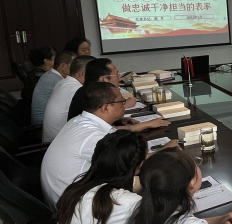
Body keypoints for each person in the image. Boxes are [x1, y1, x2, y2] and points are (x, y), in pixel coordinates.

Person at [40, 83, 169, 208]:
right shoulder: (94, 137)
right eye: (121, 101)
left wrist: (133, 128)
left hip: (65, 193)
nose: (124, 104)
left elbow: (112, 131)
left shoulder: (78, 121)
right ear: (105, 108)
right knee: (159, 181)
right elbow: (135, 160)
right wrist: (166, 149)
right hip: (75, 205)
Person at [42, 54, 94, 142]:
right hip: (59, 142)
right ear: (82, 74)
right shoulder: (77, 90)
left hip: (53, 140)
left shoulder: (62, 82)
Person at [68, 58, 136, 119]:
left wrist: (120, 121)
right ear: (104, 79)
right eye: (116, 75)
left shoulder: (90, 89)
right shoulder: (92, 95)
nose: (120, 79)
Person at [31, 50, 74, 125]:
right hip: (42, 124)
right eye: (74, 65)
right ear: (63, 66)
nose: (77, 68)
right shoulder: (58, 81)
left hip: (43, 121)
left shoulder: (49, 74)